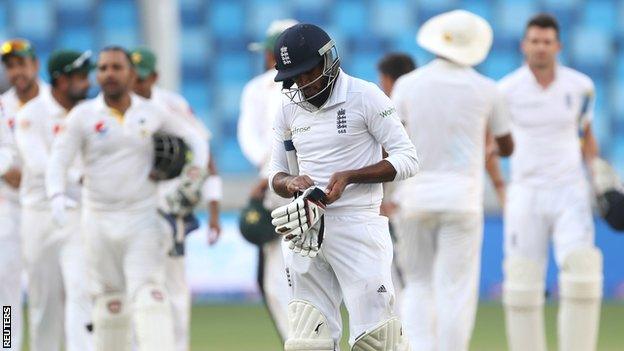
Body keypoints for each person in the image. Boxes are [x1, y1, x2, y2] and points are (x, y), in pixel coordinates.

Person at [46, 46, 208, 351]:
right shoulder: (83, 115)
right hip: (97, 218)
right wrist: (55, 195)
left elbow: (195, 138)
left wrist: (192, 177)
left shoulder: (152, 112)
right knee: (109, 300)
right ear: (98, 75)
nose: (109, 74)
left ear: (131, 74)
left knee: (149, 294)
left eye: (116, 67)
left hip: (143, 217)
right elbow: (59, 159)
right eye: (104, 68)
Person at [268, 23, 418, 350]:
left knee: (376, 339)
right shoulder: (287, 108)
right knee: (309, 338)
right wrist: (291, 182)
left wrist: (350, 176)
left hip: (359, 225)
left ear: (328, 60)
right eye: (295, 78)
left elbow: (408, 158)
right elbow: (275, 174)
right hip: (306, 226)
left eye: (308, 73)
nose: (303, 84)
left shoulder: (365, 96)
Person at [391, 10, 514, 351]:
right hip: (462, 200)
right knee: (455, 289)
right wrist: (486, 142)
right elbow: (507, 145)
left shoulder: (407, 84)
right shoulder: (487, 89)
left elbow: (391, 140)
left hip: (413, 198)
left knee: (417, 284)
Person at [498, 13, 602, 351]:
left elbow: (586, 136)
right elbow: (492, 143)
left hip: (570, 190)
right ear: (524, 45)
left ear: (558, 46)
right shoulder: (506, 90)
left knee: (583, 273)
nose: (540, 47)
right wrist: (501, 187)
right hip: (526, 191)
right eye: (534, 41)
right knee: (522, 282)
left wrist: (600, 178)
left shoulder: (582, 86)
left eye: (547, 42)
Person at [130, 46, 222, 351]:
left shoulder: (172, 105)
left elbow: (206, 157)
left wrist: (212, 211)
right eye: (132, 76)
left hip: (171, 210)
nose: (135, 84)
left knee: (173, 289)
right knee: (135, 289)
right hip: (130, 211)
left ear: (153, 77)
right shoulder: (114, 110)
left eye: (141, 78)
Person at [14, 49, 94, 351]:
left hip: (77, 212)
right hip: (36, 215)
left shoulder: (87, 113)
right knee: (37, 302)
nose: (87, 84)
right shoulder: (29, 114)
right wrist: (80, 177)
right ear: (61, 80)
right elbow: (39, 165)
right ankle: (7, 343)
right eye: (80, 77)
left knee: (81, 291)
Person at [237, 18, 298, 340]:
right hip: (279, 183)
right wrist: (266, 168)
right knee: (281, 274)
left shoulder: (293, 87)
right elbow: (250, 136)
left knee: (279, 277)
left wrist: (266, 174)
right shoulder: (258, 87)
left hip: (285, 186)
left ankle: (303, 343)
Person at [0, 38, 49, 351]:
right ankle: (7, 345)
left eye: (21, 64)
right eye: (10, 66)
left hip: (48, 210)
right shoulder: (2, 105)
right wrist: (5, 171)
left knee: (53, 291)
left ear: (35, 65)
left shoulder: (55, 103)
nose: (16, 71)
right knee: (6, 294)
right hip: (11, 211)